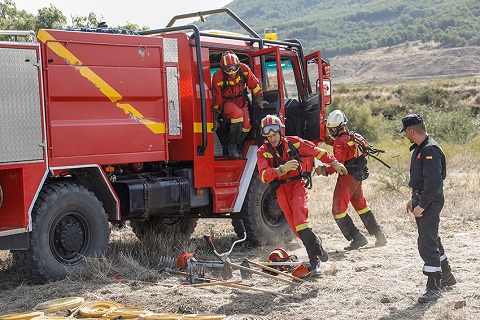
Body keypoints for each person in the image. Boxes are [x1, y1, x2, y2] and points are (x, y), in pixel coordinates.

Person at [256, 114, 348, 276]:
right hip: (280, 190)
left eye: (275, 134)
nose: (272, 138)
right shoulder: (262, 152)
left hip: (297, 185)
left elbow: (315, 151)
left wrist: (333, 162)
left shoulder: (294, 142)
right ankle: (317, 244)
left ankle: (314, 263)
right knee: (296, 229)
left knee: (301, 221)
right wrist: (280, 170)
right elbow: (263, 175)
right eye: (268, 136)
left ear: (281, 132)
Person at [400, 114, 456, 303]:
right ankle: (447, 277)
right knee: (432, 238)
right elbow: (422, 180)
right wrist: (413, 200)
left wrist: (422, 205)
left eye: (406, 133)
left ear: (411, 131)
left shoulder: (429, 149)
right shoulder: (421, 148)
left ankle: (433, 287)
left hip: (429, 201)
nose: (406, 136)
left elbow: (434, 183)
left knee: (426, 242)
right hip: (422, 199)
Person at [317, 110, 387, 250]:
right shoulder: (352, 137)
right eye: (329, 129)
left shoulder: (339, 142)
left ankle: (357, 238)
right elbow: (340, 145)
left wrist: (324, 170)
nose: (331, 132)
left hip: (347, 179)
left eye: (333, 129)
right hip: (357, 178)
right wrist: (327, 136)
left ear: (341, 126)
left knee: (338, 211)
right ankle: (379, 235)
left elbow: (338, 162)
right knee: (361, 206)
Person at [212, 51, 269, 158]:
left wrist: (259, 100)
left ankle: (238, 145)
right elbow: (217, 98)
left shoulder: (244, 69)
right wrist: (215, 116)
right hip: (226, 102)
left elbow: (254, 85)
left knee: (247, 125)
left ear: (238, 65)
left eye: (234, 67)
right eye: (228, 68)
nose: (232, 71)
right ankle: (232, 146)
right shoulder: (218, 77)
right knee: (237, 115)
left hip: (241, 100)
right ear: (223, 68)